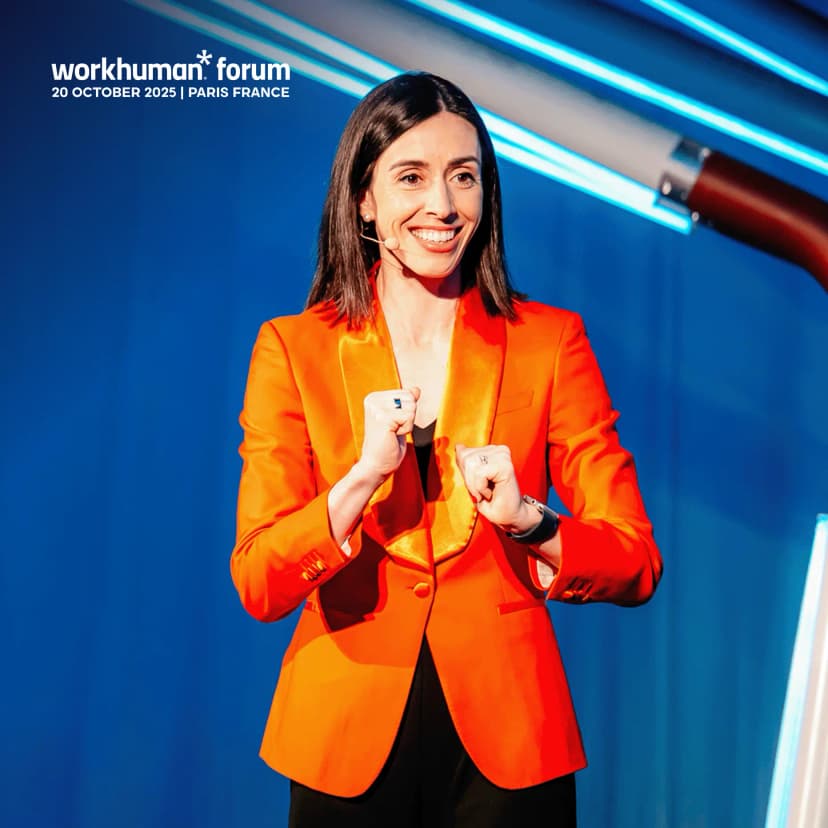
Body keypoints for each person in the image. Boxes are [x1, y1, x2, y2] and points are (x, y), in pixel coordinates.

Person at [230, 72, 663, 827]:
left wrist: (533, 520)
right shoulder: (292, 349)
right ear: (364, 200)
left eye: (464, 176)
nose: (442, 204)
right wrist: (361, 479)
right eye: (412, 176)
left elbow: (635, 560)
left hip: (510, 741)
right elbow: (260, 581)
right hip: (343, 732)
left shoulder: (549, 342)